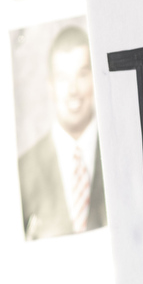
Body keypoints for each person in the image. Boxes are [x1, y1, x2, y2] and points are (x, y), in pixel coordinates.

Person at [17, 25, 105, 240]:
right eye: (63, 78)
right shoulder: (24, 171)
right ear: (51, 87)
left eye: (82, 75)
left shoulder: (121, 154)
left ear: (95, 78)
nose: (73, 90)